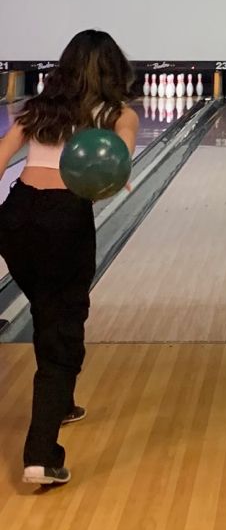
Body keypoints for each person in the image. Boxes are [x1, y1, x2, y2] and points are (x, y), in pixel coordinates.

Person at [0, 30, 139, 487]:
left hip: (16, 216)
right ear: (114, 69)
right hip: (64, 219)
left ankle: (61, 404)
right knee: (64, 330)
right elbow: (118, 161)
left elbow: (0, 159)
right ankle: (41, 455)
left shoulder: (38, 109)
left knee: (47, 309)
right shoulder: (119, 114)